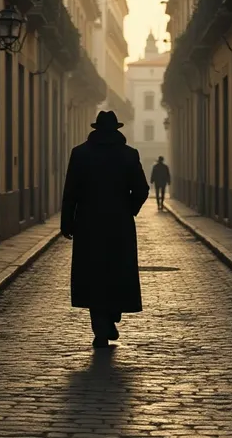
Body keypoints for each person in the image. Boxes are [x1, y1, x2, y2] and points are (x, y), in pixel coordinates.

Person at [60, 110, 149, 349]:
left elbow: (71, 193)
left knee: (93, 274)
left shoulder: (80, 154)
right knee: (117, 271)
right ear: (117, 130)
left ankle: (100, 326)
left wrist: (67, 222)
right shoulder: (129, 155)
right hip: (119, 225)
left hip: (88, 223)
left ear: (96, 129)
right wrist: (127, 209)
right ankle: (111, 314)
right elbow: (141, 190)